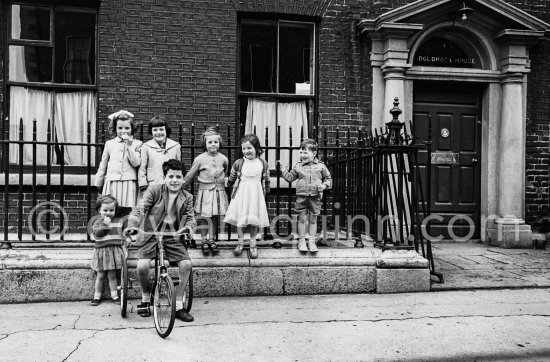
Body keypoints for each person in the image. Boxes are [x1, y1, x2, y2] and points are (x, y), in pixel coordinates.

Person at [124, 159, 196, 322]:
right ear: (164, 178)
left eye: (178, 177)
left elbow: (191, 218)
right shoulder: (154, 190)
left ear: (184, 179)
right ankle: (145, 296)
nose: (175, 180)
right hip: (150, 234)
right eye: (171, 176)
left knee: (186, 265)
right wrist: (133, 224)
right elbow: (140, 208)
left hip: (172, 236)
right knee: (142, 266)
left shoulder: (187, 197)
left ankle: (178, 304)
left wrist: (189, 228)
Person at [278, 139, 332, 253]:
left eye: (305, 152)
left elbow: (328, 179)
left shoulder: (321, 166)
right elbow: (289, 178)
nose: (302, 155)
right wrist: (283, 170)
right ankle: (301, 241)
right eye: (301, 152)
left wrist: (324, 186)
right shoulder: (298, 166)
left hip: (315, 196)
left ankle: (311, 242)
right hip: (302, 196)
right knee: (302, 219)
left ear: (314, 153)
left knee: (313, 220)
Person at [182, 127, 229, 255]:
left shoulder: (224, 159)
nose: (213, 145)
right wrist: (182, 189)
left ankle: (211, 239)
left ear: (219, 143)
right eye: (210, 142)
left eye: (216, 142)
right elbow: (190, 175)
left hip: (218, 191)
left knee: (214, 216)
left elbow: (226, 173)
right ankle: (203, 240)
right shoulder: (200, 159)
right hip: (205, 192)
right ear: (205, 144)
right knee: (203, 217)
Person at [224, 134, 270, 259]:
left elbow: (266, 179)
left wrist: (267, 191)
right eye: (244, 149)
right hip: (242, 194)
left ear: (257, 148)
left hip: (256, 194)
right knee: (240, 219)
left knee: (254, 220)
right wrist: (228, 185)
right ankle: (240, 243)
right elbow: (232, 177)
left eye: (249, 148)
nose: (246, 151)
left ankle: (253, 244)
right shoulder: (239, 163)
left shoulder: (262, 163)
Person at [94, 110, 142, 214]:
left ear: (132, 128)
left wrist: (129, 145)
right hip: (112, 182)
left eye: (127, 128)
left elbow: (136, 162)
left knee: (128, 212)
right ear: (115, 128)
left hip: (129, 182)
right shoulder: (109, 144)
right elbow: (103, 164)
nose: (123, 131)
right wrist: (99, 182)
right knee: (111, 210)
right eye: (120, 128)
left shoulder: (137, 144)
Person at [89, 195, 125, 306]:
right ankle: (97, 296)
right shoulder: (98, 222)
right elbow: (97, 234)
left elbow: (121, 234)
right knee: (100, 275)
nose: (108, 212)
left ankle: (115, 295)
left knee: (112, 276)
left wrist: (125, 240)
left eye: (111, 210)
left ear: (115, 210)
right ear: (99, 210)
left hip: (114, 251)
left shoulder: (119, 221)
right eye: (105, 210)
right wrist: (105, 224)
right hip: (102, 252)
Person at [138, 115, 181, 192]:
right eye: (155, 130)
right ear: (151, 131)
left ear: (166, 131)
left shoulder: (176, 146)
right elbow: (142, 168)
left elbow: (179, 168)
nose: (158, 132)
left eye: (161, 129)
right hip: (152, 185)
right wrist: (143, 186)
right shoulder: (146, 147)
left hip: (171, 185)